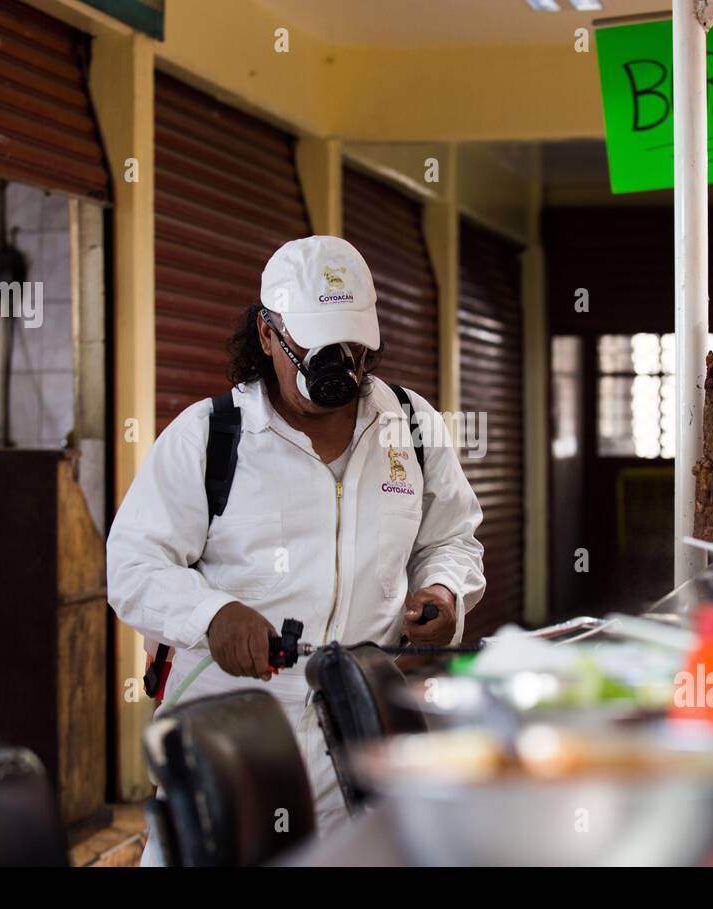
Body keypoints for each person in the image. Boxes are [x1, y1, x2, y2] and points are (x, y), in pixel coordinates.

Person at [107, 236, 486, 863]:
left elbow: (450, 536)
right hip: (232, 744)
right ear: (266, 335)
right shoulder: (211, 437)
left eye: (352, 349)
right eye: (315, 348)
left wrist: (443, 589)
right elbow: (132, 565)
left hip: (360, 733)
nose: (340, 366)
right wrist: (212, 615)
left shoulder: (412, 428)